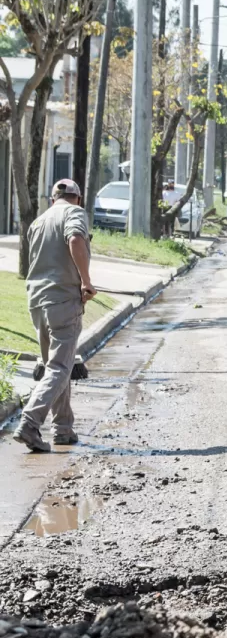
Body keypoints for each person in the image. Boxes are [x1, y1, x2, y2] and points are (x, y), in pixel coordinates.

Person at [13, 179, 94, 453]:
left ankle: (62, 429)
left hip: (37, 301)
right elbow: (74, 239)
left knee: (56, 366)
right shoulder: (74, 213)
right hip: (62, 300)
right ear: (78, 199)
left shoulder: (38, 222)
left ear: (52, 199)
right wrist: (85, 281)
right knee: (60, 367)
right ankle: (30, 422)